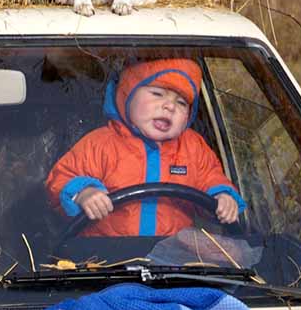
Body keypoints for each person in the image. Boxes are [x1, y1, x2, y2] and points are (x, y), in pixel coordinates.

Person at [46, 58, 246, 237]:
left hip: (176, 263)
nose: (170, 106)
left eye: (182, 103)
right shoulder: (100, 143)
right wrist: (83, 193)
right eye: (157, 93)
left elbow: (210, 177)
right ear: (127, 95)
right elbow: (60, 180)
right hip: (104, 260)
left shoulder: (193, 148)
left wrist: (223, 197)